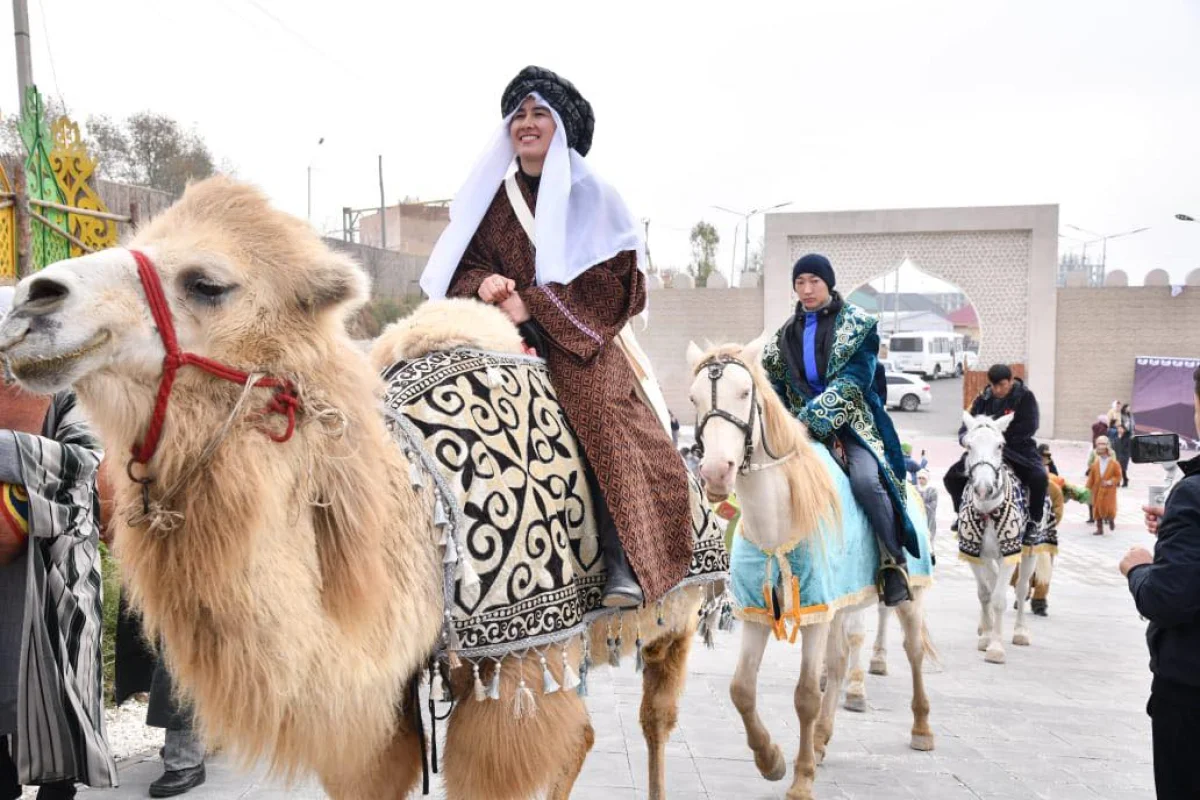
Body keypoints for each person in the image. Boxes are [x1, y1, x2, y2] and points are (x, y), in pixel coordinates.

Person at [420, 65, 693, 608]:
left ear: (559, 127)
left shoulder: (595, 199)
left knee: (596, 414)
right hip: (498, 332)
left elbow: (621, 284)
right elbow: (464, 267)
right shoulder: (493, 203)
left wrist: (537, 303)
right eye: (518, 114)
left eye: (539, 112)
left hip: (577, 342)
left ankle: (623, 561)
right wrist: (486, 283)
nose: (526, 122)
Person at [761, 253, 920, 606]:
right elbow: (774, 386)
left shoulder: (858, 326)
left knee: (865, 481)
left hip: (854, 425)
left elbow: (855, 380)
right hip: (797, 429)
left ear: (828, 283)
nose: (806, 289)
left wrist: (810, 419)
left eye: (813, 281)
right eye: (799, 282)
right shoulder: (783, 336)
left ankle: (892, 561)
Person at [0, 375, 117, 795]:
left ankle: (59, 786)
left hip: (59, 574)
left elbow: (83, 461)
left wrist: (6, 451)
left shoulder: (68, 391)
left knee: (61, 695)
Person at [1120, 365, 1200, 799]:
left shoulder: (1193, 492)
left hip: (1190, 691)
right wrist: (1180, 529)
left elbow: (1167, 598)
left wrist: (1139, 569)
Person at [944, 364, 1048, 542]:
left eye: (1001, 385)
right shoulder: (983, 398)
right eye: (994, 385)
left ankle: (1034, 522)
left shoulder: (1025, 397)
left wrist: (998, 438)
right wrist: (965, 439)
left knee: (1039, 477)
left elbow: (1031, 425)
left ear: (1010, 381)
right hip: (984, 449)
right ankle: (961, 513)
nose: (997, 389)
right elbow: (966, 426)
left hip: (1018, 449)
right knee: (951, 478)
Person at [1087, 435, 1123, 535]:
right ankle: (1099, 528)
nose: (1100, 446)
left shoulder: (1114, 463)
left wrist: (1110, 482)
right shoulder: (1095, 464)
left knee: (1109, 508)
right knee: (1097, 508)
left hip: (1109, 490)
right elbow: (1091, 478)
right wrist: (1087, 489)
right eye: (1098, 444)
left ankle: (1111, 519)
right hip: (1097, 489)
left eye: (1102, 444)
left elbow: (1118, 476)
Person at [916, 470, 938, 550]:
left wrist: (922, 506)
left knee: (929, 537)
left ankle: (930, 553)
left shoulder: (932, 490)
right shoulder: (915, 488)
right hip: (918, 516)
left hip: (929, 517)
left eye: (923, 478)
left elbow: (933, 504)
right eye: (919, 478)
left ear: (927, 479)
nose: (921, 480)